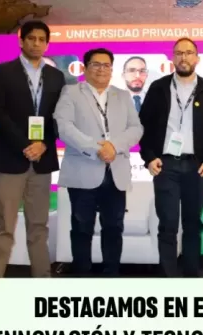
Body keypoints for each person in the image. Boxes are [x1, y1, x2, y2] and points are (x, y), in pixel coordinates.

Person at [139, 37, 203, 277]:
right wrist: (149, 157)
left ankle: (190, 278)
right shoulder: (158, 88)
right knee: (167, 224)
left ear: (197, 58)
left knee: (192, 224)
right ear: (172, 58)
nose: (183, 57)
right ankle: (168, 278)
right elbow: (143, 126)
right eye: (179, 53)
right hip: (165, 165)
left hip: (197, 167)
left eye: (188, 53)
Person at [0, 20, 65, 278]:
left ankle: (42, 281)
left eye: (42, 39)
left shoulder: (56, 76)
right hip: (9, 159)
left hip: (42, 160)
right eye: (31, 38)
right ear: (22, 41)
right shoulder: (2, 71)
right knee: (4, 225)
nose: (36, 43)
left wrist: (44, 144)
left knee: (39, 226)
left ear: (47, 44)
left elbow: (58, 117)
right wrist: (25, 145)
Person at [54, 48, 143, 276]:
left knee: (114, 227)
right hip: (82, 171)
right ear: (85, 68)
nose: (101, 69)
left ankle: (111, 275)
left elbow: (136, 128)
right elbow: (64, 127)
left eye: (106, 65)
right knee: (81, 227)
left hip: (116, 173)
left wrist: (114, 146)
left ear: (112, 69)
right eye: (96, 64)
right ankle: (82, 276)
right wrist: (96, 148)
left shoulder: (122, 96)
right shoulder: (71, 92)